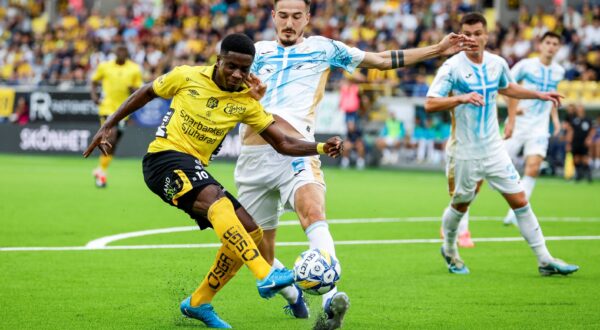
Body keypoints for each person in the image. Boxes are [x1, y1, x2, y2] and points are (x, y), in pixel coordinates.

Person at [232, 0, 476, 328]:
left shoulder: (324, 48)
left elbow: (382, 60)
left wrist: (438, 49)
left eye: (296, 16)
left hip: (297, 152)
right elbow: (219, 90)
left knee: (314, 214)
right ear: (273, 17)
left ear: (307, 18)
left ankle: (331, 298)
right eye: (284, 16)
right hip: (252, 160)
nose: (289, 23)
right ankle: (294, 296)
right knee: (263, 253)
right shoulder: (254, 52)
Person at [83, 33, 343, 329]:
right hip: (163, 159)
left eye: (244, 70)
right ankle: (264, 274)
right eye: (231, 66)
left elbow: (283, 142)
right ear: (219, 60)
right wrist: (107, 125)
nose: (236, 74)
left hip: (194, 167)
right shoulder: (186, 76)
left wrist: (321, 147)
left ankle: (199, 302)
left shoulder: (246, 103)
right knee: (218, 204)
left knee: (251, 231)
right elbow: (146, 92)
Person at [424, 12, 578, 276]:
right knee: (461, 204)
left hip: (493, 148)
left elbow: (508, 88)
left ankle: (545, 259)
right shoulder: (452, 67)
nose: (472, 39)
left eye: (477, 34)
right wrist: (460, 98)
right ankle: (449, 249)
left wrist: (539, 94)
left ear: (487, 35)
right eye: (467, 34)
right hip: (464, 150)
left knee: (520, 200)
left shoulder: (497, 63)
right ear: (461, 37)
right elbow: (430, 103)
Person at [90, 44, 143, 187]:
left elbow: (139, 89)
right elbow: (94, 81)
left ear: (127, 54)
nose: (121, 53)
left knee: (114, 143)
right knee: (110, 135)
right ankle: (101, 174)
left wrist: (133, 89)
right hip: (107, 107)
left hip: (124, 111)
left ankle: (101, 169)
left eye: (124, 51)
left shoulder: (134, 69)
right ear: (114, 52)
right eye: (118, 50)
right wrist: (94, 96)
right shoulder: (105, 66)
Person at [565, 104, 595, 182]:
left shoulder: (588, 119)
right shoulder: (574, 119)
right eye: (578, 108)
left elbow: (592, 130)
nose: (579, 110)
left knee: (585, 159)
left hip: (584, 142)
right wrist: (569, 143)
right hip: (575, 142)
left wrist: (589, 138)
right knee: (576, 159)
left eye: (580, 108)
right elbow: (570, 131)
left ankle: (589, 176)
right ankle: (579, 175)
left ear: (583, 109)